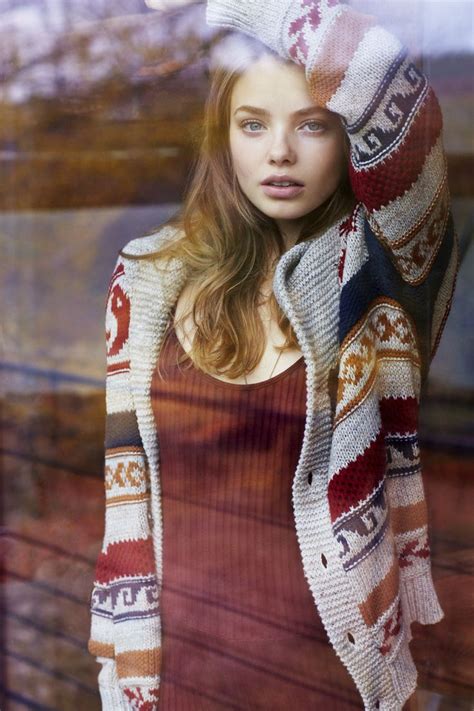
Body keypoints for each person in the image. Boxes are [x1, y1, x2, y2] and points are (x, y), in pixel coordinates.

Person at [87, 1, 459, 709]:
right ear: (222, 139)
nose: (278, 152)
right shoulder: (145, 275)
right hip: (179, 678)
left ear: (345, 136)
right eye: (252, 125)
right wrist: (119, 675)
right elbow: (122, 506)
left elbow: (398, 102)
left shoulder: (382, 270)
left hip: (325, 678)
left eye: (311, 125)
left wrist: (227, 4)